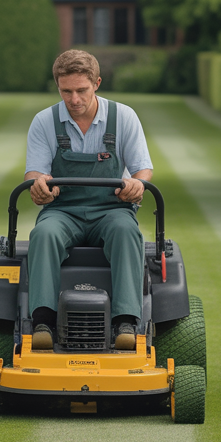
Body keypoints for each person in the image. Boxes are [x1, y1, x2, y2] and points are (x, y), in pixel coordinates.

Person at [24, 49, 153, 351]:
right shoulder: (44, 122)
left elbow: (142, 169)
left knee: (127, 231)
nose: (74, 99)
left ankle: (126, 321)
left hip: (111, 209)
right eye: (66, 91)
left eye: (81, 90)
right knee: (43, 233)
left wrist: (138, 184)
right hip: (62, 210)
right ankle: (43, 321)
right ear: (58, 86)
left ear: (96, 83)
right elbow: (35, 173)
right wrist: (40, 185)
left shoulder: (124, 117)